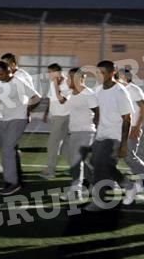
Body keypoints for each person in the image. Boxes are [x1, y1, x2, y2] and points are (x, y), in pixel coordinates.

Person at [87, 61, 139, 212]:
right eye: (97, 72)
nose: (99, 76)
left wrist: (123, 144)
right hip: (101, 134)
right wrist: (96, 116)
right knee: (97, 163)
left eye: (102, 73)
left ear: (112, 73)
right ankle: (129, 185)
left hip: (114, 136)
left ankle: (100, 200)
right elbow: (96, 107)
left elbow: (127, 118)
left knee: (100, 167)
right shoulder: (97, 90)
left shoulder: (120, 91)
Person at [0, 60, 40, 195]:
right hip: (5, 119)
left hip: (18, 119)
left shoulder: (18, 82)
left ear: (9, 71)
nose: (0, 77)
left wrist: (27, 111)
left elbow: (36, 97)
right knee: (5, 150)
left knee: (8, 148)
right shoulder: (0, 83)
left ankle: (13, 183)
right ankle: (10, 180)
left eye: (2, 74)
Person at [60, 68, 98, 201]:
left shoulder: (88, 94)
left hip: (86, 131)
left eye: (69, 78)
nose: (67, 81)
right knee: (81, 161)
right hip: (74, 131)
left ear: (79, 79)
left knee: (77, 161)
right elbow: (61, 100)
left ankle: (76, 191)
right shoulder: (72, 93)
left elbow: (98, 112)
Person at [119, 69, 144, 192]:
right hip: (119, 128)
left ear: (127, 78)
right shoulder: (118, 90)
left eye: (119, 76)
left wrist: (137, 127)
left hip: (131, 128)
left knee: (128, 156)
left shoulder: (133, 89)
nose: (115, 78)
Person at [42, 63, 72, 180]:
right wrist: (46, 113)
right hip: (56, 116)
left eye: (50, 72)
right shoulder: (52, 83)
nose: (48, 74)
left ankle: (50, 171)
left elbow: (61, 100)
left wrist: (55, 84)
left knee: (52, 144)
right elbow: (51, 99)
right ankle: (76, 167)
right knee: (65, 146)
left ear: (58, 72)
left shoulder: (66, 83)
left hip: (62, 116)